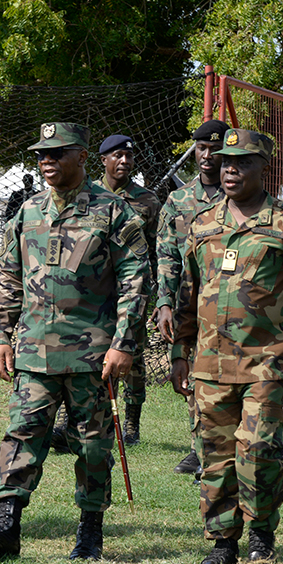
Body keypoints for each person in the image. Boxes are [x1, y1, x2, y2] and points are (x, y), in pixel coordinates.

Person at [0, 122, 148, 561]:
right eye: (42, 154)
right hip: (33, 349)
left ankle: (89, 535)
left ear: (82, 156)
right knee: (22, 434)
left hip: (93, 354)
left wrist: (123, 344)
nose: (47, 160)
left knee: (92, 442)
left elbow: (136, 281)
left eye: (58, 153)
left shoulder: (114, 212)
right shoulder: (27, 212)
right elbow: (8, 277)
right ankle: (7, 528)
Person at [171, 128, 283, 564]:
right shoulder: (202, 223)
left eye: (241, 162)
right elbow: (187, 292)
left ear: (265, 168)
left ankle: (261, 535)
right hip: (208, 363)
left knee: (258, 450)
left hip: (265, 362)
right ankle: (223, 541)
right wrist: (179, 355)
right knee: (215, 454)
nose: (230, 169)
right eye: (225, 162)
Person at [155, 119, 228, 476]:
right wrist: (164, 303)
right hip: (188, 303)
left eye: (215, 149)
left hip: (227, 303)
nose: (207, 156)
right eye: (201, 149)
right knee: (191, 372)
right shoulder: (178, 201)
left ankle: (222, 447)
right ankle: (199, 447)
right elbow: (166, 256)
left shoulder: (238, 197)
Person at [94, 134, 160, 445]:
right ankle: (76, 420)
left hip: (133, 291)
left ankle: (131, 425)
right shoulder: (88, 195)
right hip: (93, 290)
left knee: (132, 354)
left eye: (129, 157)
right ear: (103, 160)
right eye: (117, 156)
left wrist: (159, 297)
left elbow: (158, 252)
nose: (124, 162)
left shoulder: (147, 201)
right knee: (87, 351)